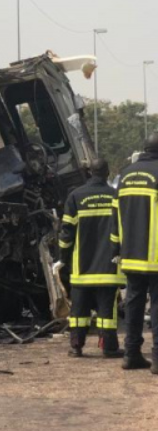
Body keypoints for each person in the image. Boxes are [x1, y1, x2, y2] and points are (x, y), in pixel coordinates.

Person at [59, 160, 124, 358]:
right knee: (107, 311)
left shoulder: (76, 196)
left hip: (82, 268)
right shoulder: (115, 196)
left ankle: (76, 346)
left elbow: (66, 233)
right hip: (109, 267)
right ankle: (109, 347)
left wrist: (63, 258)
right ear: (107, 173)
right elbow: (122, 230)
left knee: (78, 310)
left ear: (89, 172)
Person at [112, 134, 158, 373]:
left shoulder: (126, 175)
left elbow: (115, 214)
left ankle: (131, 354)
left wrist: (116, 248)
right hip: (155, 255)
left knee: (134, 303)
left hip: (130, 253)